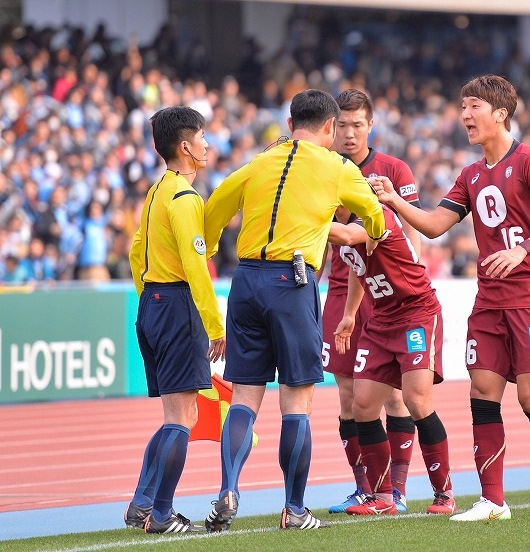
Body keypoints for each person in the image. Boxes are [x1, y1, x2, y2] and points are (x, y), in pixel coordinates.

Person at [371, 74, 530, 521]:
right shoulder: (470, 174)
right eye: (463, 106)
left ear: (500, 114)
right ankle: (493, 500)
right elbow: (434, 225)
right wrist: (394, 201)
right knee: (482, 394)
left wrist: (522, 250)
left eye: (474, 106)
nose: (465, 114)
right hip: (488, 301)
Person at [202, 89, 387, 531]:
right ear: (330, 127)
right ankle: (295, 508)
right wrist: (362, 229)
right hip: (293, 282)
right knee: (297, 401)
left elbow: (213, 211)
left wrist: (208, 248)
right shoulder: (338, 167)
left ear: (290, 124)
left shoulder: (257, 163)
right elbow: (375, 217)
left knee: (244, 397)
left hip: (246, 280)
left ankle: (228, 487)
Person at [124, 106, 226, 534]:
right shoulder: (185, 198)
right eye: (202, 137)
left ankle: (142, 504)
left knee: (174, 416)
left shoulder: (156, 191)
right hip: (177, 305)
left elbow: (136, 250)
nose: (208, 144)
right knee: (182, 418)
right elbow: (196, 265)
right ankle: (161, 514)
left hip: (153, 302)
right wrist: (215, 325)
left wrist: (149, 297)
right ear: (185, 146)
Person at [323, 89, 422, 515]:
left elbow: (413, 231)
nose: (349, 133)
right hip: (343, 288)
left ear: (371, 125)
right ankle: (364, 487)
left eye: (357, 125)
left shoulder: (393, 169)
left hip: (387, 291)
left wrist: (412, 280)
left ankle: (396, 489)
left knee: (394, 396)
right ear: (332, 127)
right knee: (347, 394)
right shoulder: (323, 167)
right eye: (342, 125)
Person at [328, 204, 455, 515]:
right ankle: (384, 498)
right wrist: (350, 314)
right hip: (381, 319)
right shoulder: (344, 226)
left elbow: (347, 237)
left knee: (416, 400)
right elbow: (357, 266)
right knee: (362, 406)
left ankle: (444, 494)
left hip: (416, 313)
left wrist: (297, 218)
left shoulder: (375, 214)